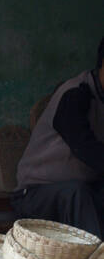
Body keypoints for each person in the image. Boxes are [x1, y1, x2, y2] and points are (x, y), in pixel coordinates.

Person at [13, 38, 104, 237]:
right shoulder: (76, 93)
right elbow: (84, 147)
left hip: (81, 191)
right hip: (36, 195)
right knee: (76, 193)